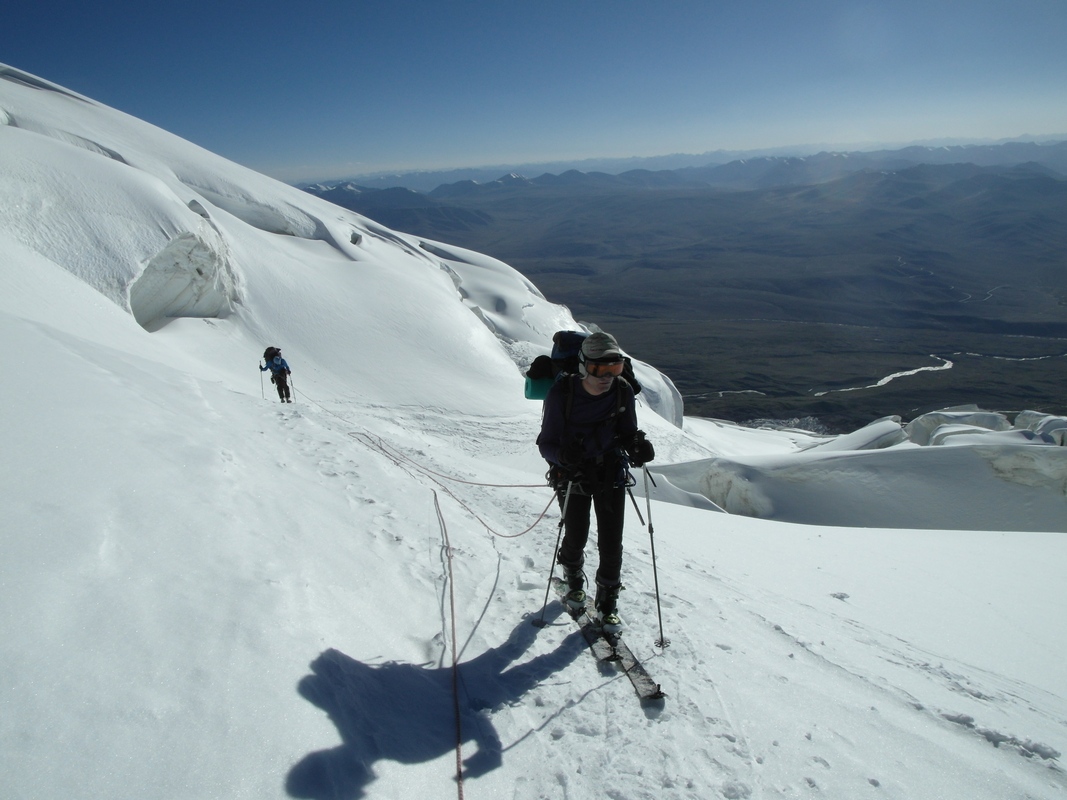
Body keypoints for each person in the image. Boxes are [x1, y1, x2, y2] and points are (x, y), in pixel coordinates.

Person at [536, 332, 655, 631]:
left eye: (614, 370)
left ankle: (607, 603)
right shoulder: (562, 394)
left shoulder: (622, 390)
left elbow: (628, 431)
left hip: (610, 471)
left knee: (612, 543)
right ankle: (574, 581)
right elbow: (546, 442)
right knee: (576, 534)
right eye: (599, 369)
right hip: (573, 475)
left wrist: (637, 445)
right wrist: (564, 456)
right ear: (583, 366)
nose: (607, 377)